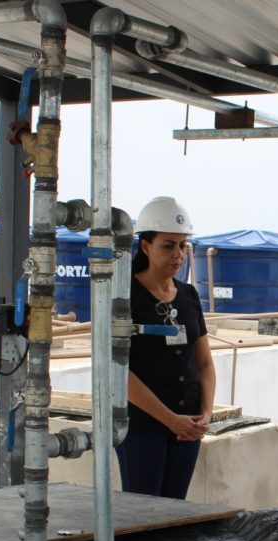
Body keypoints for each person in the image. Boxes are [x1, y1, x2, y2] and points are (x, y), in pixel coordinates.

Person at [115, 196, 216, 499]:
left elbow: (205, 364)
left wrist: (206, 414)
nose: (178, 254)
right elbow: (118, 372)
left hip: (188, 425)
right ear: (145, 247)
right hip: (142, 426)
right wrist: (170, 419)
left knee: (174, 509)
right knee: (143, 513)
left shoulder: (188, 296)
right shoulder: (123, 296)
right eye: (168, 245)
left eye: (183, 246)